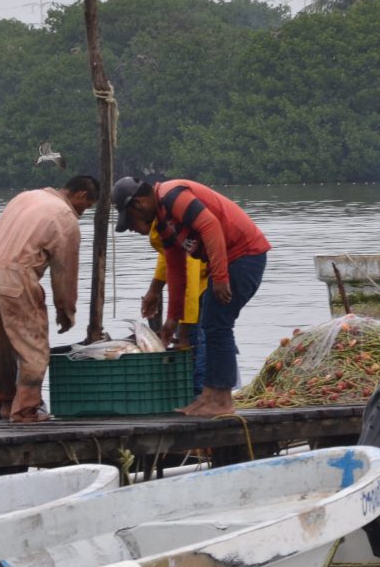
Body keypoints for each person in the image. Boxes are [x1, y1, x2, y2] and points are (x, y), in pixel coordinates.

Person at [114, 175, 270, 417]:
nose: (134, 228)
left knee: (218, 325)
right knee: (211, 324)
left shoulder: (172, 195)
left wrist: (219, 277)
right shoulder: (165, 222)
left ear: (138, 204)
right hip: (231, 261)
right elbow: (177, 269)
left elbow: (210, 226)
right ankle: (210, 395)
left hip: (244, 255)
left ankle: (223, 400)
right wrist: (172, 319)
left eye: (131, 221)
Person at [0, 174, 99, 422]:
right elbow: (64, 271)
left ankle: (6, 403)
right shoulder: (65, 217)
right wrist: (66, 310)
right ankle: (25, 410)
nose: (83, 212)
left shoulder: (26, 196)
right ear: (82, 195)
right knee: (34, 347)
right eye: (86, 207)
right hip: (17, 276)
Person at [140, 222, 207, 396]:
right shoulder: (166, 228)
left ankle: (201, 394)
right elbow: (166, 257)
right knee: (193, 335)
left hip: (208, 282)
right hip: (198, 285)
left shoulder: (178, 227)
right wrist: (154, 290)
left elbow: (189, 287)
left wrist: (183, 333)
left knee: (194, 339)